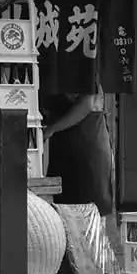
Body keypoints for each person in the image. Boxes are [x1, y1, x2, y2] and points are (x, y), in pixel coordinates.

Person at [43, 86, 114, 216]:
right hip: (63, 146)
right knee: (63, 211)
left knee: (90, 212)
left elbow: (87, 104)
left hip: (87, 143)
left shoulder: (87, 75)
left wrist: (52, 129)